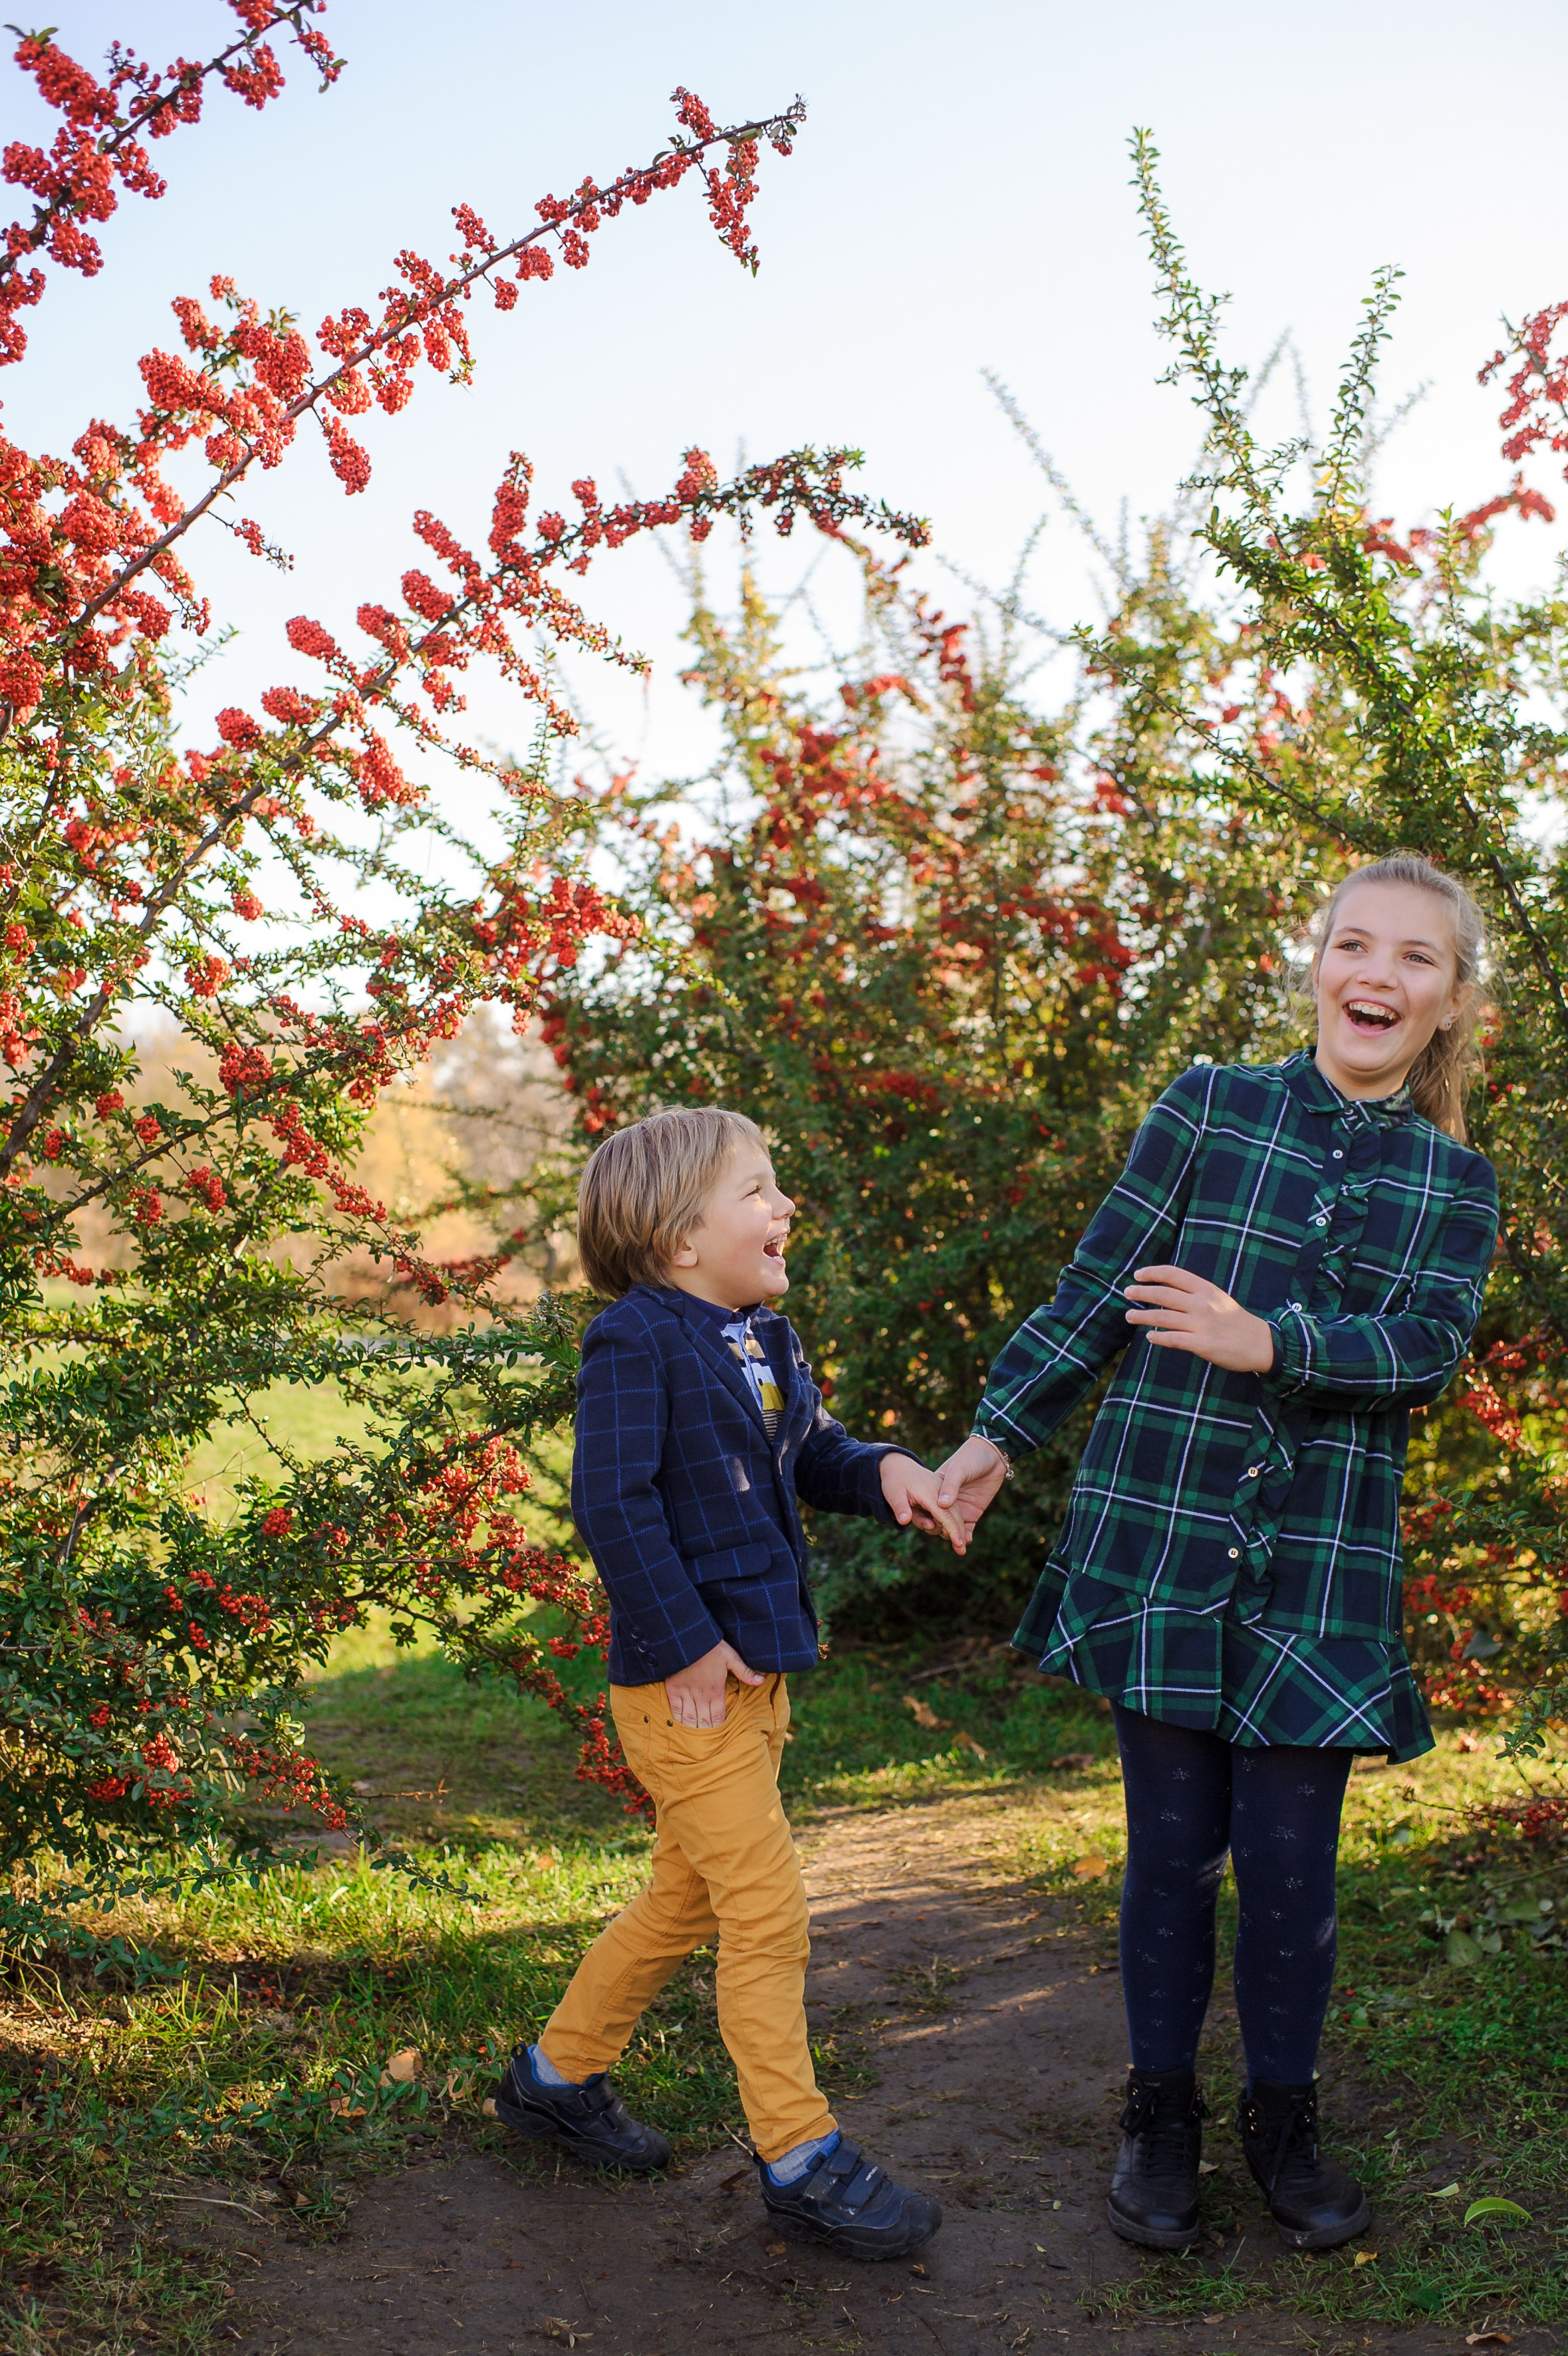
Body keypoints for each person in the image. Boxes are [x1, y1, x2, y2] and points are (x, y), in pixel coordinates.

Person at [936, 853, 1499, 2253]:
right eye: (1353, 944)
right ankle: (1161, 2112)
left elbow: (1426, 1348)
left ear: (1449, 1001)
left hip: (1322, 1563)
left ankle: (1283, 2118)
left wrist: (1273, 1339)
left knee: (1296, 1871)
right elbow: (1097, 1287)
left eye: (1415, 958)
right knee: (1171, 1854)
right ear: (1315, 961)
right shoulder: (1209, 1104)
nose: (1377, 973)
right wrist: (997, 1433)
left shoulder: (1454, 1181)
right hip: (1163, 1532)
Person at [497, 1106, 957, 2260]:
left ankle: (555, 2076)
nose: (783, 1206)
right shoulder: (635, 1340)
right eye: (757, 1190)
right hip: (684, 1688)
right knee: (766, 1909)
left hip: (756, 1684)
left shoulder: (766, 1341)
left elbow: (809, 1452)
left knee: (687, 1899)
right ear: (675, 1235)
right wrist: (689, 1642)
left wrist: (887, 1467)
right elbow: (614, 1505)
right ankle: (799, 2156)